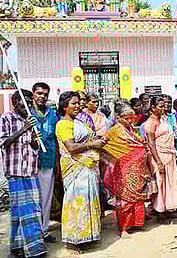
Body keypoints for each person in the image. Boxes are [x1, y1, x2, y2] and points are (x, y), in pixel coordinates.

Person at [56, 91, 106, 254]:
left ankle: (87, 236)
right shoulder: (63, 125)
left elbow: (87, 139)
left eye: (79, 103)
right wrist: (94, 144)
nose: (78, 106)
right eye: (73, 103)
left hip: (88, 168)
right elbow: (71, 147)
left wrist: (99, 141)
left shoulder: (79, 122)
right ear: (64, 106)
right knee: (74, 202)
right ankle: (72, 241)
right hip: (74, 168)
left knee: (88, 200)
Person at [0, 90, 47, 258]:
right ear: (14, 103)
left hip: (31, 172)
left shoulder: (31, 120)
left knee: (30, 210)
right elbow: (4, 143)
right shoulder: (6, 118)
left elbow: (33, 148)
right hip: (16, 173)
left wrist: (34, 139)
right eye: (23, 101)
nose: (27, 105)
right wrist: (24, 129)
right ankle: (33, 250)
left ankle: (21, 247)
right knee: (23, 211)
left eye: (29, 101)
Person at [102, 100, 151, 237]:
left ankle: (136, 222)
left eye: (132, 117)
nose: (130, 120)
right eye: (127, 118)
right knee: (125, 199)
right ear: (118, 118)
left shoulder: (130, 129)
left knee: (137, 197)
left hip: (137, 170)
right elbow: (105, 147)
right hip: (123, 170)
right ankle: (123, 228)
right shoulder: (114, 131)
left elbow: (137, 143)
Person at [144, 96, 177, 217]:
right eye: (160, 106)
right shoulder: (150, 123)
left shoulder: (163, 120)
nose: (163, 108)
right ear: (153, 108)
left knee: (169, 182)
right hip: (159, 156)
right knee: (160, 183)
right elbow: (151, 143)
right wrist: (158, 162)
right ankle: (159, 210)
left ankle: (168, 209)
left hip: (169, 155)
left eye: (164, 106)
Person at [30, 82, 58, 243]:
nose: (42, 96)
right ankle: (32, 232)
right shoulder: (26, 113)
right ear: (33, 94)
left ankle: (44, 230)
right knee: (32, 199)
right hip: (30, 163)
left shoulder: (52, 114)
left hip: (48, 162)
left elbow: (55, 138)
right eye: (39, 93)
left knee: (46, 198)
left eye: (45, 94)